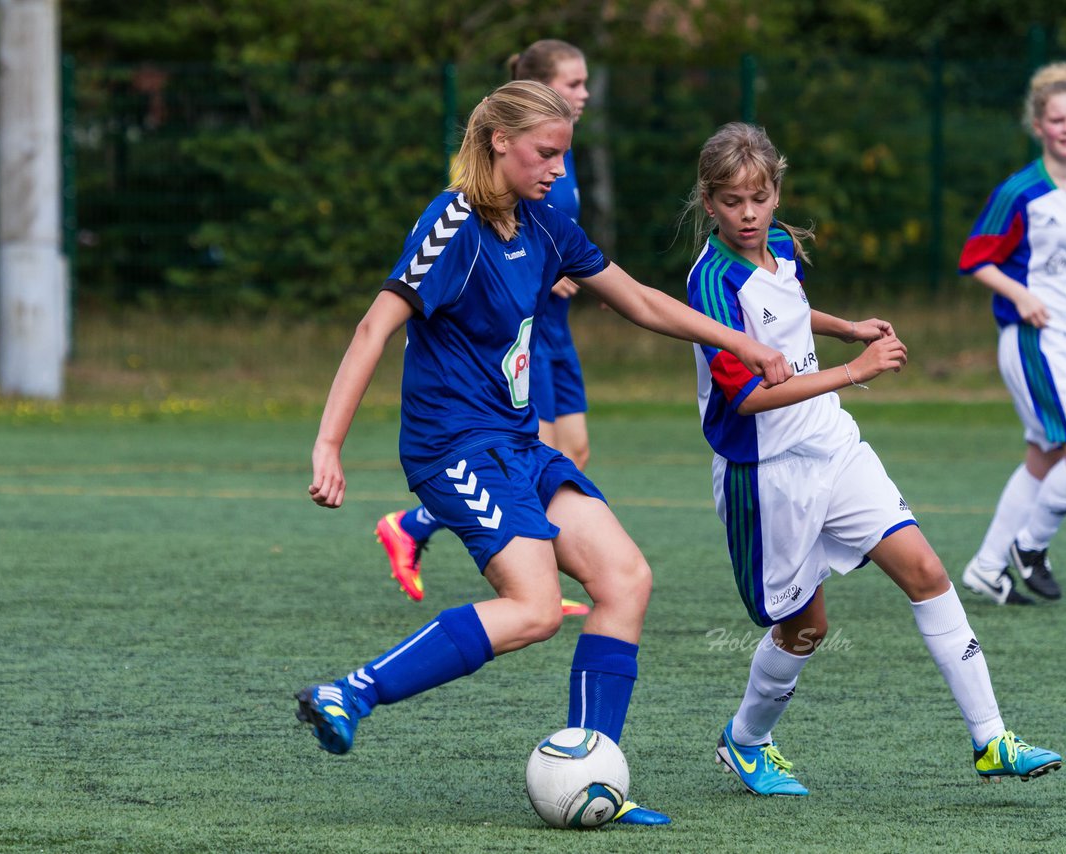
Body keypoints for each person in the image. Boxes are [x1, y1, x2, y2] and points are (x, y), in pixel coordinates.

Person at [297, 81, 791, 825]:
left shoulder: (547, 222)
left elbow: (640, 301)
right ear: (499, 142)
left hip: (518, 443)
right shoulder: (452, 223)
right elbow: (375, 329)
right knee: (533, 610)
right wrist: (329, 443)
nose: (558, 169)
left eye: (563, 153)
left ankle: (595, 770)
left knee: (625, 579)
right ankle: (350, 693)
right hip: (454, 445)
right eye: (546, 153)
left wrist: (742, 343)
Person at [682, 122, 1062, 796]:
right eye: (733, 201)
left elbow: (791, 311)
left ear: (775, 194)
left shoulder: (778, 247)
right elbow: (746, 401)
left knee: (925, 569)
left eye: (760, 198)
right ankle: (746, 740)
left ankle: (991, 739)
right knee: (806, 628)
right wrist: (856, 369)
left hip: (833, 444)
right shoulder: (711, 284)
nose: (749, 214)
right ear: (708, 203)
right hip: (766, 475)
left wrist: (845, 326)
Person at [375, 40, 595, 616]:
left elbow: (567, 256)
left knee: (573, 450)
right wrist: (328, 445)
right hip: (506, 345)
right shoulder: (473, 198)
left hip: (547, 331)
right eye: (573, 84)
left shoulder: (554, 172)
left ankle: (442, 536)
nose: (583, 94)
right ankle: (520, 576)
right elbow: (383, 319)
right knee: (536, 448)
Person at [958, 61, 1066, 606]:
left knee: (1044, 458)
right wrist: (1020, 295)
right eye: (1057, 120)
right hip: (1033, 340)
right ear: (1039, 126)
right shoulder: (1020, 191)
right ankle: (1029, 548)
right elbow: (975, 258)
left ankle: (988, 568)